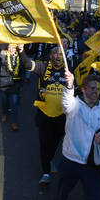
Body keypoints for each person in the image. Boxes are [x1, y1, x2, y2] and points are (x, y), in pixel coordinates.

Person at [56, 70, 100, 200]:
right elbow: (66, 103)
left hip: (93, 164)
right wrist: (69, 86)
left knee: (94, 198)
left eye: (98, 89)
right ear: (83, 90)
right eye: (92, 88)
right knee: (62, 194)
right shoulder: (74, 105)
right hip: (71, 161)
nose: (96, 92)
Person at [20, 45, 67, 185]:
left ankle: (48, 159)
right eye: (54, 53)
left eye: (60, 54)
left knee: (56, 142)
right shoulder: (43, 67)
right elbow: (28, 64)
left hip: (62, 116)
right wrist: (21, 50)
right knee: (44, 143)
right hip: (44, 114)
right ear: (50, 56)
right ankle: (46, 172)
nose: (57, 56)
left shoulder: (69, 69)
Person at [0, 44, 26, 131]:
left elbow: (23, 70)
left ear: (16, 49)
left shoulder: (20, 57)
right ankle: (5, 113)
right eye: (9, 48)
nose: (11, 49)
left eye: (13, 48)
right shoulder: (3, 55)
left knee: (14, 104)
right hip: (4, 84)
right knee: (4, 101)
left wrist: (22, 82)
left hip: (15, 85)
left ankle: (14, 122)